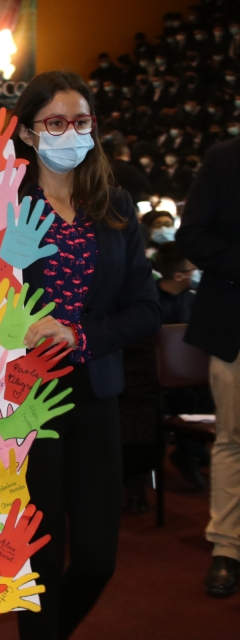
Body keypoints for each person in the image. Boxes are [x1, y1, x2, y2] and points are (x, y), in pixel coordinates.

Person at [0, 69, 161, 639]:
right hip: (26, 401)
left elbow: (145, 308)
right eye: (54, 122)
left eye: (80, 121)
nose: (69, 132)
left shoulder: (116, 206)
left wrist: (82, 335)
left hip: (94, 392)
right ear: (27, 132)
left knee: (98, 560)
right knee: (39, 560)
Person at [177, 134, 240, 598]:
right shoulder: (225, 159)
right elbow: (191, 235)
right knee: (233, 439)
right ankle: (227, 549)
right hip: (234, 323)